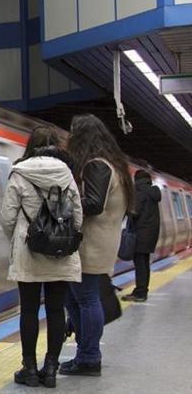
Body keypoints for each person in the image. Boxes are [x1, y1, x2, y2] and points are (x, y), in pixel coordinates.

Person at [0, 125, 83, 388]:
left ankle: (30, 370)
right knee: (56, 309)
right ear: (57, 147)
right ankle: (50, 369)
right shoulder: (67, 175)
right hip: (60, 253)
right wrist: (62, 236)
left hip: (28, 252)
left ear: (30, 145)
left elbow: (7, 218)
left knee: (29, 310)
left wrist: (20, 238)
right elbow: (79, 218)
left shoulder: (19, 173)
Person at [61, 114, 134, 377]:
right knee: (76, 298)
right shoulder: (114, 165)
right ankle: (85, 353)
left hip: (92, 243)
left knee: (86, 299)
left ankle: (90, 357)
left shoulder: (97, 166)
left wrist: (64, 205)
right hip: (101, 241)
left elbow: (93, 204)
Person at [122, 170, 161, 302]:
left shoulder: (140, 192)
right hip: (150, 234)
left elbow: (134, 212)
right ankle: (142, 290)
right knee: (144, 263)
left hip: (140, 234)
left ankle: (140, 293)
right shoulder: (152, 192)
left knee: (140, 264)